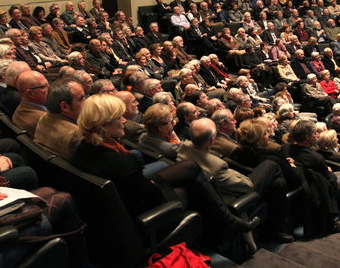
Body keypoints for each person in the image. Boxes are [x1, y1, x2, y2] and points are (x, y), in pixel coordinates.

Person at [71, 94, 259, 234]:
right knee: (196, 185)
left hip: (123, 197)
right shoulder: (122, 161)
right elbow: (153, 197)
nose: (124, 121)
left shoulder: (82, 147)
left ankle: (225, 219)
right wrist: (153, 184)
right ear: (103, 124)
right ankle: (226, 222)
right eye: (119, 117)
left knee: (191, 166)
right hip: (144, 210)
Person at [178, 118, 294, 243]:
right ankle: (278, 229)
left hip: (214, 195)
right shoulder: (216, 166)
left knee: (279, 184)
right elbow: (247, 185)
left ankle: (273, 231)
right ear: (213, 139)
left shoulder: (184, 149)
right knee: (272, 165)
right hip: (236, 198)